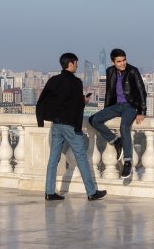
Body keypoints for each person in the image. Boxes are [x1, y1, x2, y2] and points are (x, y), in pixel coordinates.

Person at [36, 52, 107, 201]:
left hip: (56, 124)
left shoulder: (53, 80)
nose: (77, 65)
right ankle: (91, 192)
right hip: (70, 125)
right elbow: (76, 106)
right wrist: (84, 102)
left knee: (53, 159)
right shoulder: (76, 83)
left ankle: (49, 192)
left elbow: (43, 99)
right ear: (71, 63)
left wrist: (41, 120)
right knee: (81, 158)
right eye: (76, 63)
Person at [88, 48, 147, 179]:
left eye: (124, 60)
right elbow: (109, 92)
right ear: (113, 62)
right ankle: (116, 141)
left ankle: (127, 162)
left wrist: (142, 111)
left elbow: (142, 91)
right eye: (119, 61)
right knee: (94, 120)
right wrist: (106, 110)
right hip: (116, 106)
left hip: (130, 106)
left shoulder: (133, 71)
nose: (122, 63)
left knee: (124, 127)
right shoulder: (110, 71)